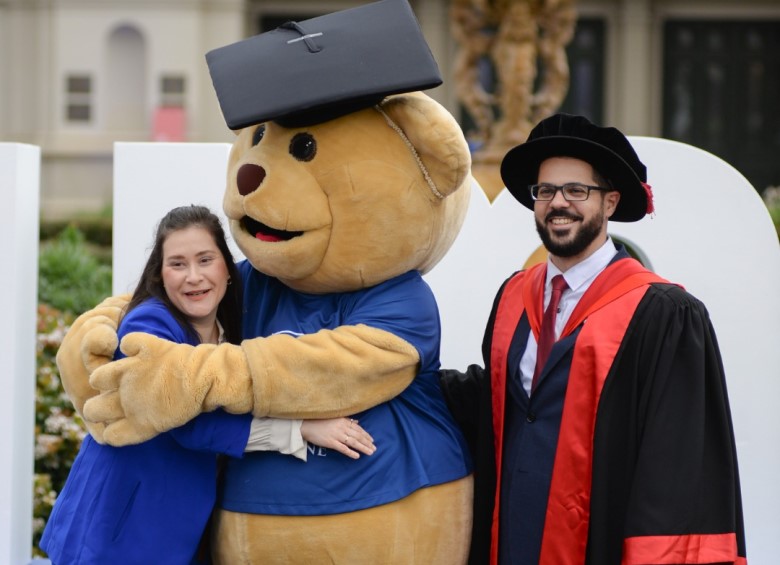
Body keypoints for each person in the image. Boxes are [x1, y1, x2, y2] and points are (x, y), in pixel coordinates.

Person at [439, 114, 748, 564]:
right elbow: (499, 403)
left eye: (576, 191)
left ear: (610, 202)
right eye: (545, 191)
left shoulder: (662, 314)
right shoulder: (513, 296)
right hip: (510, 539)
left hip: (599, 543)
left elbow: (677, 464)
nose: (558, 203)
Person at [40, 205, 375, 565]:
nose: (193, 276)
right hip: (119, 525)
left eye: (205, 260)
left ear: (227, 270)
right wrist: (302, 429)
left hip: (176, 522)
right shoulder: (148, 324)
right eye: (178, 264)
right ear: (161, 274)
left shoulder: (228, 329)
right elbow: (186, 423)